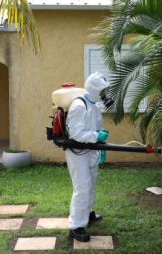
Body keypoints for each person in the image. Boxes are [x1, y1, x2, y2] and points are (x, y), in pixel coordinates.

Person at [65, 72, 111, 242]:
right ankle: (76, 226)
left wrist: (101, 145)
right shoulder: (79, 105)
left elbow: (99, 128)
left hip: (90, 150)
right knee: (82, 187)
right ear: (94, 89)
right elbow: (76, 133)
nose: (104, 94)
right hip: (77, 152)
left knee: (91, 185)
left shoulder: (95, 106)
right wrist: (95, 137)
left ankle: (88, 213)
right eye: (102, 91)